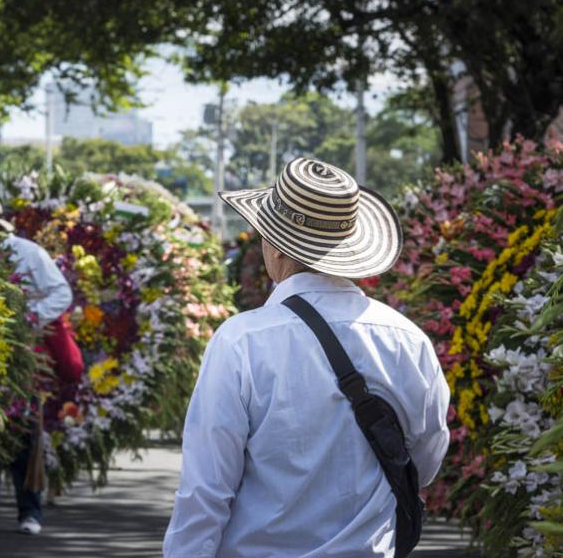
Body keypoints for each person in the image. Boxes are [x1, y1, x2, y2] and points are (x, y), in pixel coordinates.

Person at [164, 158, 450, 557]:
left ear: (275, 247)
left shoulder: (242, 341)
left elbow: (206, 489)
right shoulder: (408, 340)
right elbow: (424, 461)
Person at [0, 195, 83, 535]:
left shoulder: (27, 252)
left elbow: (61, 293)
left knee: (24, 431)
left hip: (23, 354)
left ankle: (31, 512)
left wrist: (29, 318)